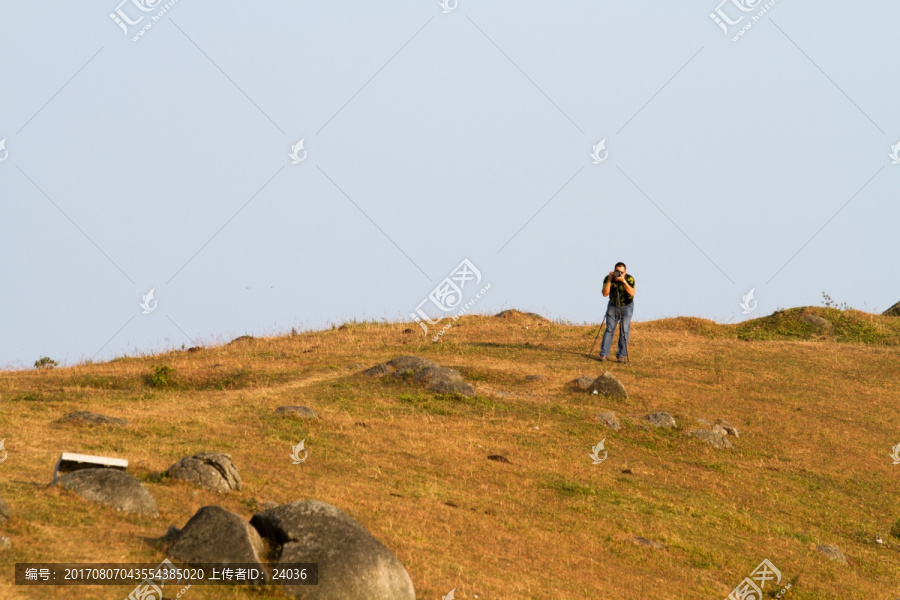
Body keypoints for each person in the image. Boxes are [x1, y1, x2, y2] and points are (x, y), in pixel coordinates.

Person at [599, 262, 635, 363]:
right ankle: (603, 354)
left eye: (622, 272)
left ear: (625, 272)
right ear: (614, 270)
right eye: (617, 272)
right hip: (613, 306)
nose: (619, 274)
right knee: (609, 329)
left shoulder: (630, 279)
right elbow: (605, 293)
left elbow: (632, 293)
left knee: (624, 331)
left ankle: (621, 356)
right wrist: (610, 280)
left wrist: (623, 281)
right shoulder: (608, 278)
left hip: (626, 307)